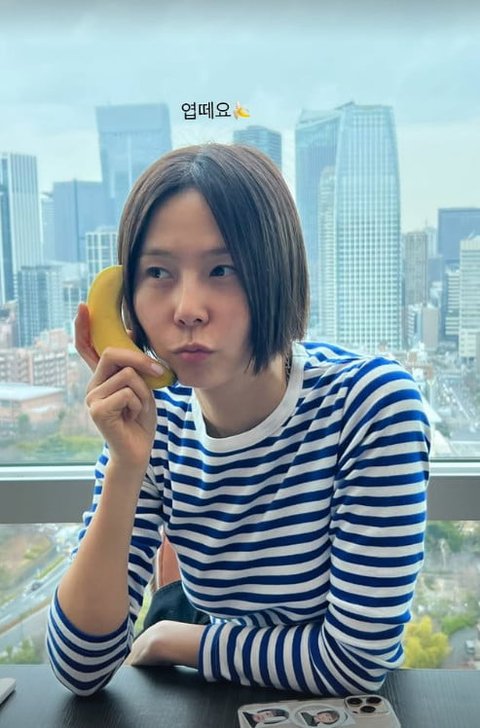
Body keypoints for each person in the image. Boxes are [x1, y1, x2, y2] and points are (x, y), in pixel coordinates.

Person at [46, 143, 430, 697]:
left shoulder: (368, 407)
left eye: (222, 269)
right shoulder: (156, 420)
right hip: (221, 703)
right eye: (158, 272)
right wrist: (127, 467)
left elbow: (354, 662)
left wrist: (178, 641)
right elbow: (79, 668)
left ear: (276, 274)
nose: (188, 309)